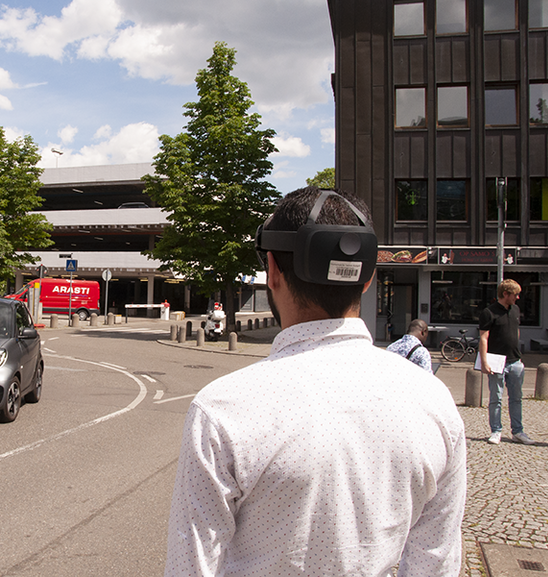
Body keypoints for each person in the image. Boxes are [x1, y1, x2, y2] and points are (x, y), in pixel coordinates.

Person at [165, 187, 466, 576]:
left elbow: (191, 566)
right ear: (368, 277)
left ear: (273, 271)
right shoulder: (433, 400)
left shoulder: (224, 408)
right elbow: (435, 562)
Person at [478, 279, 532, 445]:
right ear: (505, 294)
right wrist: (484, 361)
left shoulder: (515, 310)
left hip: (515, 360)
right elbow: (483, 337)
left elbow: (515, 331)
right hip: (496, 360)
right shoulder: (489, 312)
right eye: (515, 294)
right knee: (496, 398)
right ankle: (496, 431)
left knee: (516, 398)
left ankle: (518, 431)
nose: (518, 297)